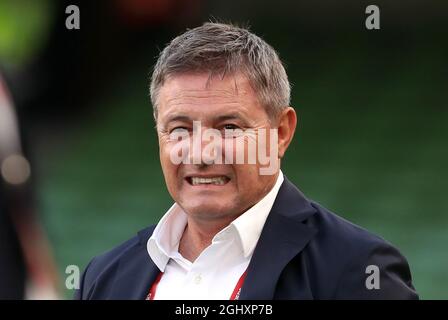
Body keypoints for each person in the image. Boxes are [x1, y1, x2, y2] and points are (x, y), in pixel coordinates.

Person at [75, 22, 418, 300]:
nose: (201, 152)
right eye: (179, 129)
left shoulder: (358, 271)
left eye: (228, 127)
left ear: (281, 132)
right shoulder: (104, 276)